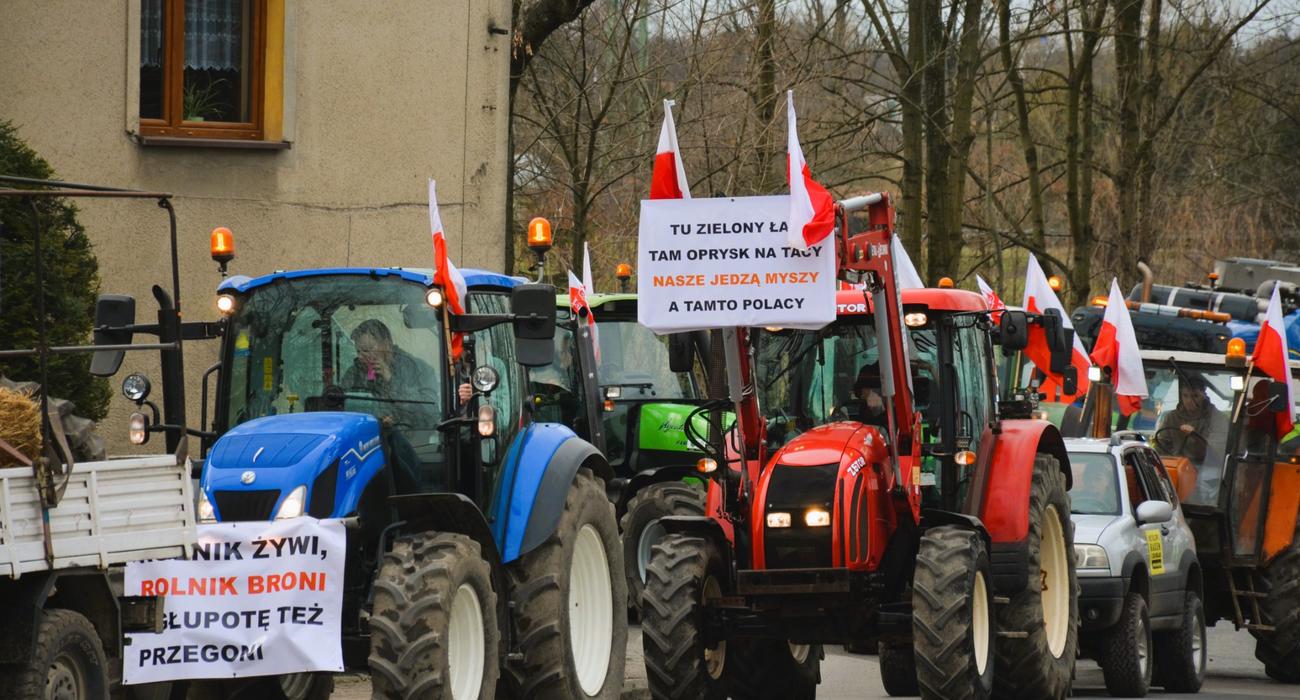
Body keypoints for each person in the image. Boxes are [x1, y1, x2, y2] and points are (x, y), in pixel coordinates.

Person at [1154, 374, 1229, 464]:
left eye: (1195, 396)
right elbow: (1161, 445)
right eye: (1185, 396)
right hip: (1178, 464)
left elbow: (1217, 454)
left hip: (1206, 466)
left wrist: (1195, 437)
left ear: (1204, 396)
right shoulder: (1172, 417)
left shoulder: (1217, 419)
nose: (1189, 401)